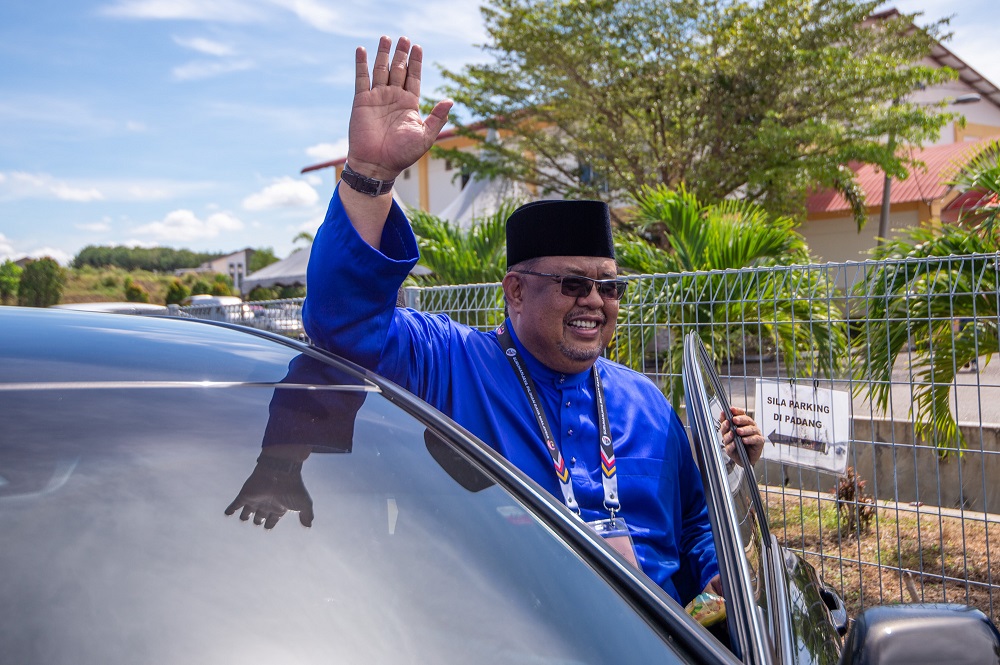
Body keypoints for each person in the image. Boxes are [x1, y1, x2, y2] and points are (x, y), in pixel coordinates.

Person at [302, 35, 764, 605]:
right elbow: (343, 324)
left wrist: (721, 566)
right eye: (573, 284)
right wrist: (369, 175)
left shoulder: (647, 404)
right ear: (516, 291)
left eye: (609, 287)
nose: (595, 301)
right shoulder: (451, 364)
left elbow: (692, 525)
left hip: (652, 639)